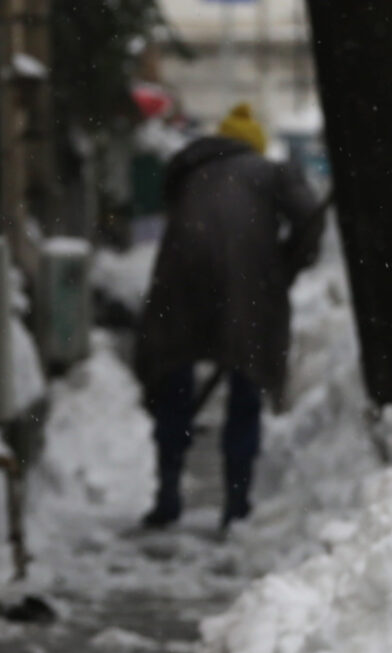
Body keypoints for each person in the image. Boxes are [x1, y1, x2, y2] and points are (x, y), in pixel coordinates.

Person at [133, 103, 323, 533]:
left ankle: (167, 496)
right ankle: (236, 505)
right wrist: (289, 263)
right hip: (246, 281)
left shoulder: (191, 171)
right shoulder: (271, 173)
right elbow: (309, 217)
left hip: (179, 277)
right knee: (245, 383)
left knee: (174, 379)